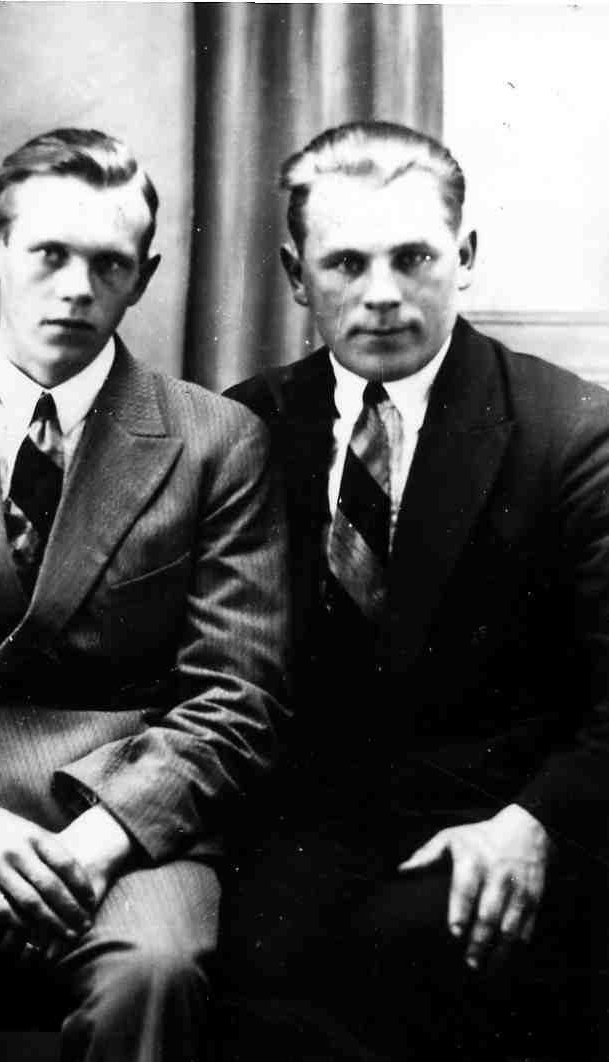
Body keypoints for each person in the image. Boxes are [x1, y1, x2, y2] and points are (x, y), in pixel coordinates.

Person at [0, 127, 288, 1062]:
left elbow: (237, 694)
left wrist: (102, 840)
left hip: (129, 807)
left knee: (156, 971)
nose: (75, 287)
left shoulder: (216, 441)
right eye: (48, 254)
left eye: (109, 263)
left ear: (144, 277)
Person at [223, 120, 609, 1061]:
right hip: (293, 838)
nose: (383, 294)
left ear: (464, 256)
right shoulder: (247, 425)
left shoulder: (571, 432)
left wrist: (533, 825)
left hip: (490, 828)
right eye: (346, 264)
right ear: (295, 274)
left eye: (414, 257)